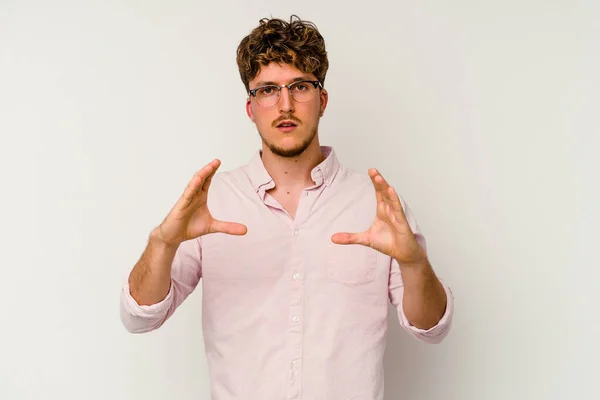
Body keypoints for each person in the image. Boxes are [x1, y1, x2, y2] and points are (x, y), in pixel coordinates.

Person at [120, 15, 454, 400]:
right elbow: (138, 318)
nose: (285, 104)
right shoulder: (212, 203)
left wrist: (414, 265)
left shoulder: (377, 206)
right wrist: (161, 244)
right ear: (250, 107)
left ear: (322, 100)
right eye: (267, 90)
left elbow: (433, 329)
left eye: (299, 86)